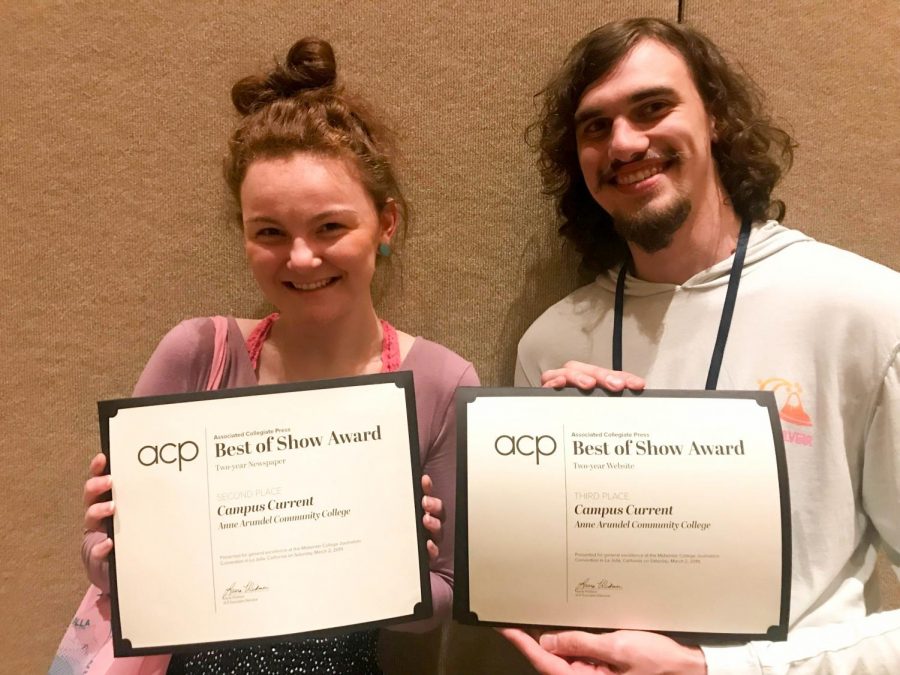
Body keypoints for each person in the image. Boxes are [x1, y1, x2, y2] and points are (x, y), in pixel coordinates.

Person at [505, 17, 900, 674]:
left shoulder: (866, 311)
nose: (625, 142)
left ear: (713, 117)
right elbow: (540, 591)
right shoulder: (550, 343)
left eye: (652, 107)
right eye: (595, 126)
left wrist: (716, 670)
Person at [81, 37, 478, 674]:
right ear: (242, 235)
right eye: (269, 232)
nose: (299, 258)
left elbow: (447, 599)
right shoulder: (197, 354)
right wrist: (109, 552)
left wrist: (390, 564)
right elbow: (113, 570)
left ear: (387, 224)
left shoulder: (439, 381)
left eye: (330, 228)